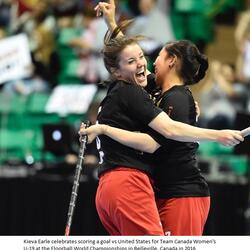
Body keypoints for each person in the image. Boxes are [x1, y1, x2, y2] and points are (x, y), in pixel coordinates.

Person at [79, 0, 243, 236]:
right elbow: (126, 54)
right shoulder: (142, 89)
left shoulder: (173, 97)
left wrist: (218, 135)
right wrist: (111, 22)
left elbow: (168, 131)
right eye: (138, 59)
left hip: (179, 193)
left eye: (155, 55)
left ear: (171, 61)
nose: (148, 61)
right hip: (146, 188)